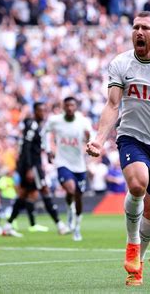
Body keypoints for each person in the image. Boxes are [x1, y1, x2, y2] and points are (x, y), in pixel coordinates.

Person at [86, 11, 150, 286]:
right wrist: (99, 138)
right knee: (137, 185)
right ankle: (132, 244)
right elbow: (112, 104)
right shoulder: (121, 63)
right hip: (131, 136)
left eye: (144, 28)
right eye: (135, 27)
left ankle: (138, 263)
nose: (138, 32)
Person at [3, 102, 69, 237]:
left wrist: (48, 153)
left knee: (24, 194)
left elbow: (33, 146)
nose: (43, 113)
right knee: (44, 190)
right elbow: (26, 147)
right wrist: (29, 168)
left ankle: (8, 225)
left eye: (44, 110)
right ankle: (60, 225)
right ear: (35, 111)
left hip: (32, 164)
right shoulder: (32, 125)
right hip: (32, 165)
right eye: (40, 111)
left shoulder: (37, 126)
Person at [43, 97, 93, 241]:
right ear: (63, 107)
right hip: (62, 162)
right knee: (71, 189)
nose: (70, 108)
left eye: (72, 105)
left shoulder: (83, 121)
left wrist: (88, 138)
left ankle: (76, 226)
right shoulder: (55, 120)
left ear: (76, 107)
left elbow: (91, 138)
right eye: (67, 106)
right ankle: (70, 210)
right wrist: (48, 149)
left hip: (79, 164)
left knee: (78, 195)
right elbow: (45, 132)